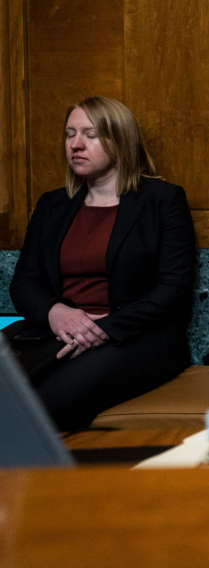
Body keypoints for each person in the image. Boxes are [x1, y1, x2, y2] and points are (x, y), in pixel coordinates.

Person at [5, 97, 196, 430]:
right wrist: (56, 313)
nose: (76, 145)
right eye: (70, 134)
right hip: (54, 334)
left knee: (48, 403)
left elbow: (173, 290)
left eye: (90, 135)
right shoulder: (53, 205)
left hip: (135, 338)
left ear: (120, 140)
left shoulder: (161, 201)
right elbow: (24, 282)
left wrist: (101, 330)